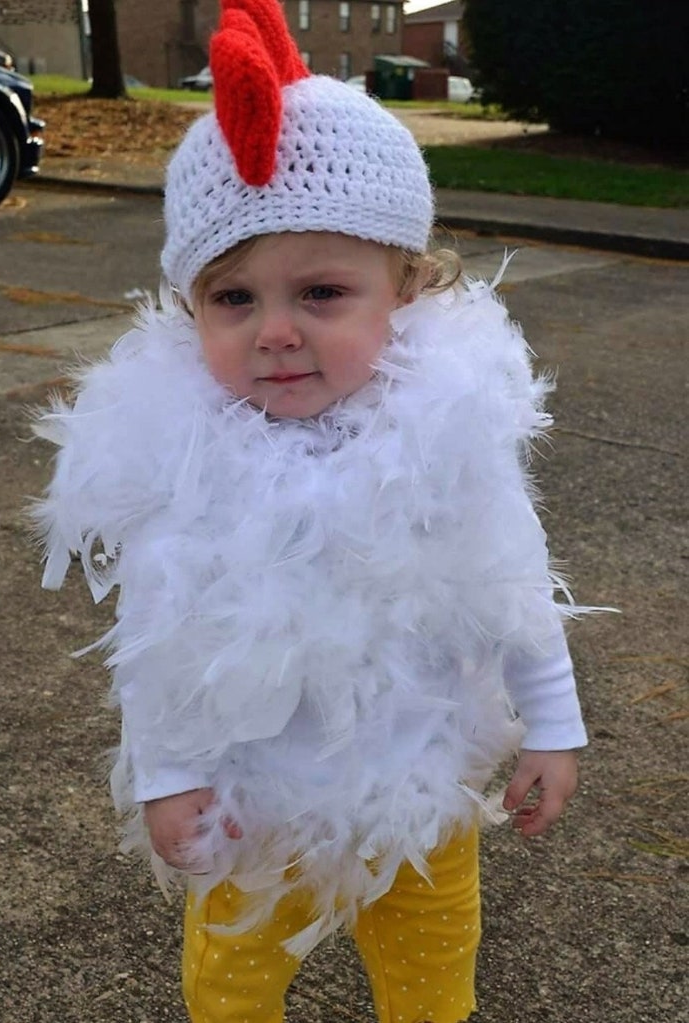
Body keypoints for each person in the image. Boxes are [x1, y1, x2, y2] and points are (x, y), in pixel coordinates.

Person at [32, 2, 592, 1020]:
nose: (275, 332)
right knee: (231, 988)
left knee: (431, 981)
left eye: (321, 293)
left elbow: (512, 592)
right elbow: (158, 640)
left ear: (407, 291)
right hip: (251, 802)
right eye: (232, 298)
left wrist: (552, 727)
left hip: (418, 795)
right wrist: (165, 777)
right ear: (187, 308)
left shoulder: (449, 443)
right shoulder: (184, 458)